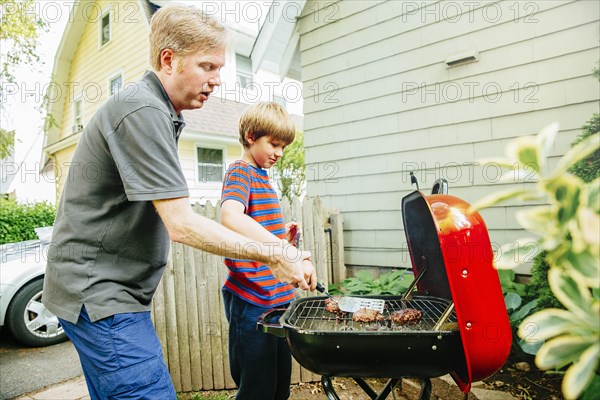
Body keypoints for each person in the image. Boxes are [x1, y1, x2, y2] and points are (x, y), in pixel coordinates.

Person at [42, 5, 317, 400]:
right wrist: (274, 254)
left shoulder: (160, 114)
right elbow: (181, 224)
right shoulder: (141, 110)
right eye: (208, 67)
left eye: (220, 69)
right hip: (99, 294)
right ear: (168, 60)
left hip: (108, 295)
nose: (217, 80)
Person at [219, 102, 304, 400]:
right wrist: (279, 244)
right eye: (274, 144)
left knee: (280, 384)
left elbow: (262, 236)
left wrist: (285, 237)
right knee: (257, 388)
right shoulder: (241, 172)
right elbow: (230, 216)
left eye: (284, 146)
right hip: (252, 300)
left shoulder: (262, 177)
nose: (279, 153)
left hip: (279, 298)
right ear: (252, 136)